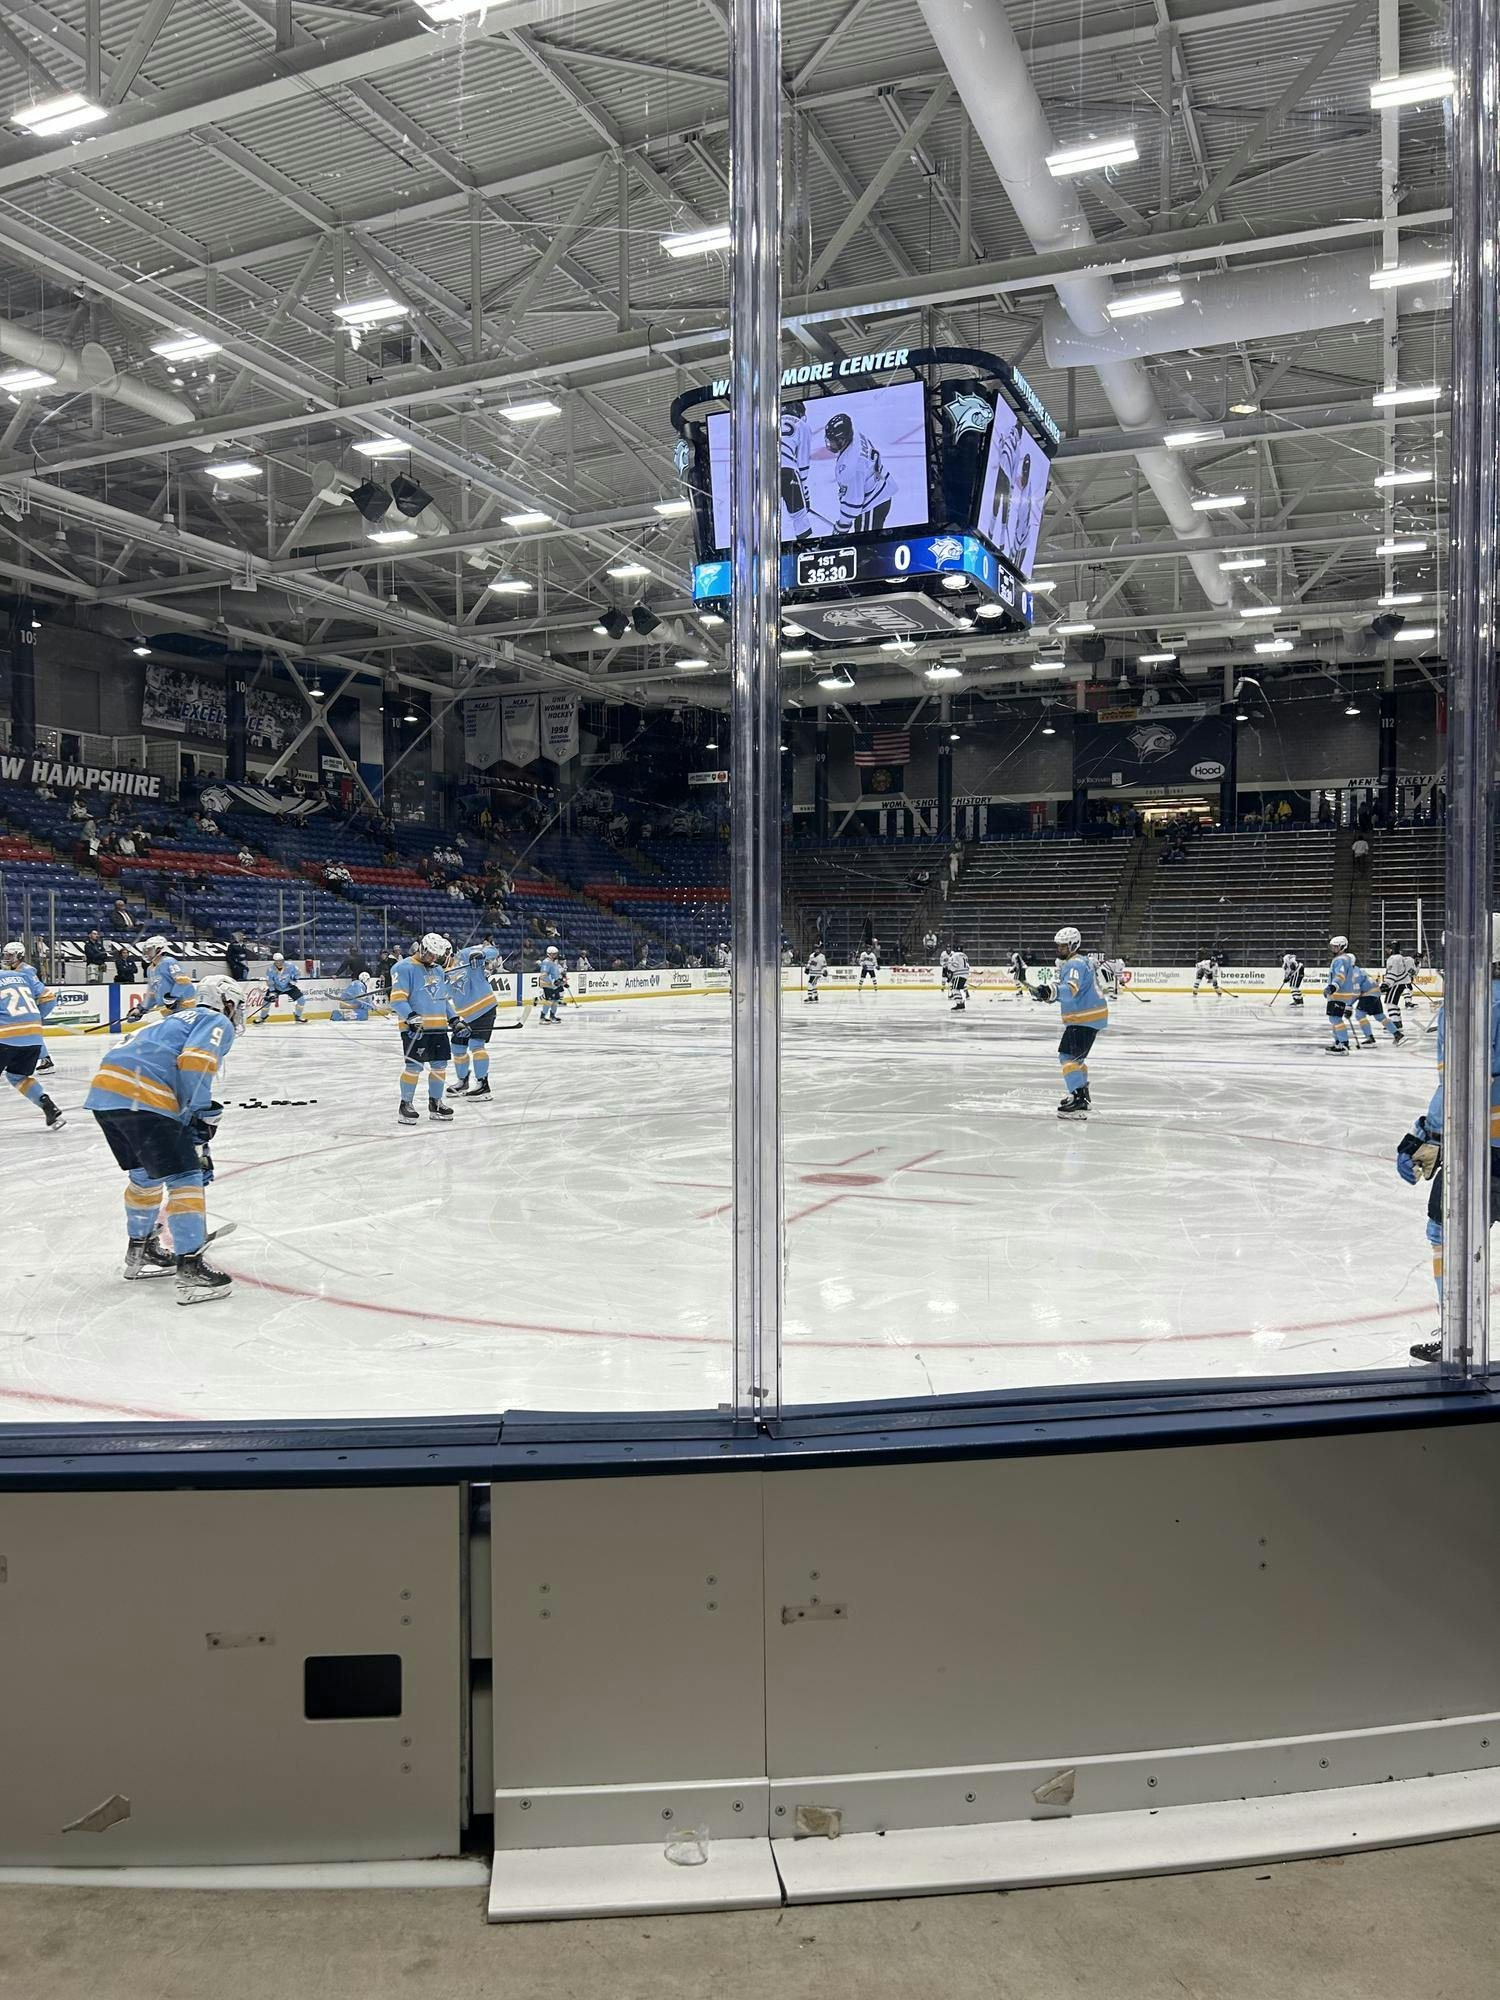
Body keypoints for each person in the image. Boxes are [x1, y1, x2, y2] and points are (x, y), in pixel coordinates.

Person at [84, 975, 244, 1301]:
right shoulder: (214, 1020)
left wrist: (188, 1126)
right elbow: (196, 1065)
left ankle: (140, 1251)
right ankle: (191, 1269)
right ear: (227, 1002)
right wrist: (200, 1115)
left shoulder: (171, 1020)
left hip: (106, 1096)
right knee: (186, 1177)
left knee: (145, 1176)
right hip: (143, 1096)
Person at [1399, 915, 1500, 1363]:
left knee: (1446, 1233)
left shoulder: (1474, 1004)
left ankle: (1457, 1336)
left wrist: (1427, 1133)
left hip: (1480, 1149)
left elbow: (1464, 1080)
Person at [0, 940, 65, 1131]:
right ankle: (48, 1105)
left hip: (5, 1037)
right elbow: (48, 997)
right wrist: (34, 1018)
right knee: (17, 1076)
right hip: (33, 1037)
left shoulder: (25, 971)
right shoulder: (22, 976)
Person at [392, 933, 456, 1122]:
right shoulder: (403, 968)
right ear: (422, 949)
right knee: (414, 1066)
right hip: (415, 1030)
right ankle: (405, 1105)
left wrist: (454, 1019)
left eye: (437, 955)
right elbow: (397, 1000)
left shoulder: (438, 970)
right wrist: (411, 1017)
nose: (433, 958)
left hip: (438, 1028)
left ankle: (436, 1104)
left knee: (440, 1066)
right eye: (431, 954)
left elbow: (442, 1000)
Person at [1052, 923, 1109, 1119]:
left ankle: (1079, 1101)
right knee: (1077, 1059)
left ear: (1073, 945)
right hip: (1091, 1016)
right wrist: (1049, 994)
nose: (1060, 949)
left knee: (1067, 1057)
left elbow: (1070, 990)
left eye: (1063, 946)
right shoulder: (1082, 961)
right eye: (1059, 945)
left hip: (1084, 1018)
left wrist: (1052, 991)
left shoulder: (1073, 964)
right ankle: (1082, 1096)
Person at [446, 938, 501, 1098]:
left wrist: (481, 954)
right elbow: (441, 999)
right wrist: (453, 1019)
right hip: (466, 1015)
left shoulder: (465, 954)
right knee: (457, 1046)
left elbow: (493, 951)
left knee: (476, 1045)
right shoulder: (438, 971)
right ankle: (463, 1081)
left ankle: (483, 1085)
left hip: (484, 1008)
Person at [825, 410, 893, 533]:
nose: (830, 444)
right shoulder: (854, 435)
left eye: (833, 441)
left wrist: (842, 526)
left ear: (843, 439)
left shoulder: (852, 465)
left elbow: (854, 504)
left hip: (873, 502)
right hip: (879, 489)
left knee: (866, 542)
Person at [779, 398, 815, 540]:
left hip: (763, 474)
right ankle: (807, 547)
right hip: (788, 472)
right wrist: (804, 494)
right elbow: (803, 462)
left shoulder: (768, 423)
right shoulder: (802, 426)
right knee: (799, 516)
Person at [140, 935, 196, 1018]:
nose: (147, 953)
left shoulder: (169, 962)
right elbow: (152, 993)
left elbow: (183, 981)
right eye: (146, 950)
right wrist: (141, 1008)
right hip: (167, 1011)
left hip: (184, 1008)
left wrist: (172, 997)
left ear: (159, 949)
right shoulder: (150, 969)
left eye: (150, 950)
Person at [1323, 934, 1360, 1053]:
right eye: (1332, 946)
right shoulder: (1344, 959)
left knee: (1335, 1019)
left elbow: (1340, 976)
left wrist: (1333, 987)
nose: (1333, 949)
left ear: (1342, 947)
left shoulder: (1341, 960)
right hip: (1339, 994)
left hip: (1339, 994)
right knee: (1334, 1019)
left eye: (1336, 946)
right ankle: (1338, 1043)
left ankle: (1343, 1044)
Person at [250, 952, 307, 1026]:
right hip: (276, 988)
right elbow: (270, 981)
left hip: (289, 987)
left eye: (280, 961)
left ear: (283, 960)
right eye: (277, 961)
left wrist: (293, 980)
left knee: (301, 1000)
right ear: (274, 961)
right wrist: (272, 992)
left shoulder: (291, 966)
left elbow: (298, 973)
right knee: (266, 1002)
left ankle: (298, 1016)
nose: (279, 963)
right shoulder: (270, 970)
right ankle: (262, 1017)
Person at [537, 943, 569, 1024]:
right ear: (549, 954)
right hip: (548, 985)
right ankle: (542, 1017)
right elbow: (544, 975)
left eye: (556, 953)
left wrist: (561, 981)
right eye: (554, 954)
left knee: (555, 1001)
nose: (555, 955)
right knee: (549, 1001)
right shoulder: (546, 962)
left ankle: (552, 1016)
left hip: (555, 985)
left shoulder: (554, 962)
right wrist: (552, 981)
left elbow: (555, 973)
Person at [1383, 945, 1418, 1014]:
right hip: (1401, 980)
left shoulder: (1395, 959)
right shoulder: (1403, 959)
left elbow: (1394, 972)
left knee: (1391, 1004)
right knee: (1407, 989)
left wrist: (1387, 982)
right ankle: (1408, 1002)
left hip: (1398, 981)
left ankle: (1408, 1003)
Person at [947, 944, 970, 1013]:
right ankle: (961, 1004)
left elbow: (955, 964)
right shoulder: (964, 955)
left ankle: (960, 1005)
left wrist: (950, 971)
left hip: (959, 974)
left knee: (954, 989)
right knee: (956, 988)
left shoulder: (954, 955)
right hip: (965, 974)